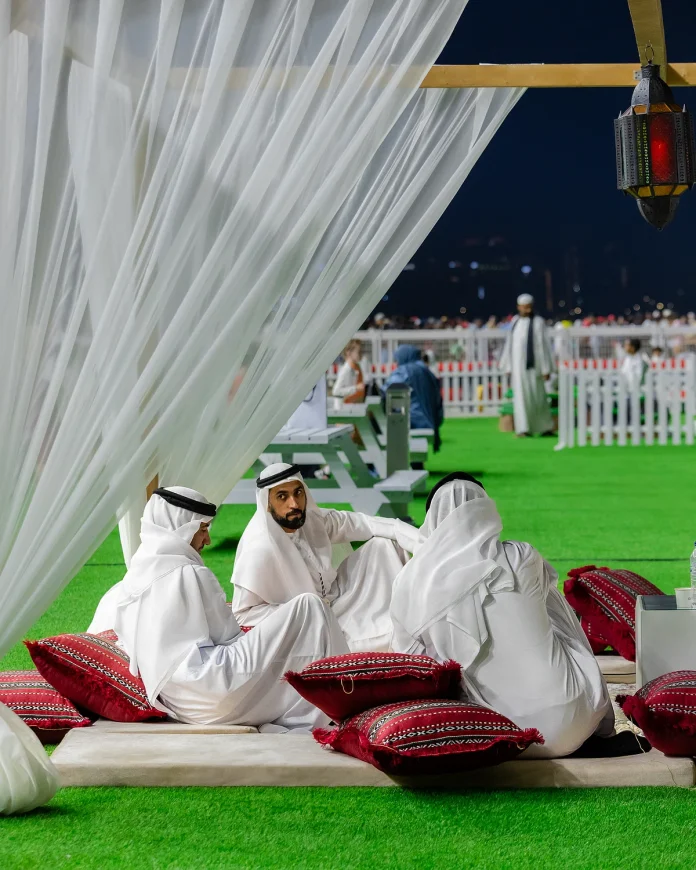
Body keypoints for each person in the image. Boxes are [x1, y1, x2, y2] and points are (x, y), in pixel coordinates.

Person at [88, 486, 349, 730]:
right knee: (309, 606)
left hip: (178, 703)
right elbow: (230, 636)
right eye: (202, 529)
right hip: (214, 691)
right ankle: (347, 695)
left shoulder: (132, 577)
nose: (208, 539)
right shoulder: (190, 572)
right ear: (182, 529)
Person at [389, 474, 614, 758]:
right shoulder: (521, 555)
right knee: (552, 605)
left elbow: (412, 666)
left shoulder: (409, 583)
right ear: (486, 510)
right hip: (576, 723)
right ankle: (603, 728)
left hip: (494, 734)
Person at [231, 463, 423, 651]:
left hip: (337, 597)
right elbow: (242, 615)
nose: (294, 504)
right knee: (384, 634)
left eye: (298, 493)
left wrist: (426, 546)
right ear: (267, 503)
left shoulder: (313, 520)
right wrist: (304, 610)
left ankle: (416, 611)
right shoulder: (259, 549)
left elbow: (370, 524)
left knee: (383, 545)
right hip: (311, 624)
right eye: (282, 496)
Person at [498, 294, 555, 437]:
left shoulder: (538, 322)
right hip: (518, 368)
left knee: (539, 397)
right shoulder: (515, 322)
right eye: (524, 307)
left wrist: (546, 369)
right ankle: (523, 429)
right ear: (519, 307)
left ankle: (544, 427)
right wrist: (508, 366)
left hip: (536, 367)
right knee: (521, 399)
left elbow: (544, 346)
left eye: (529, 307)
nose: (527, 310)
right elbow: (510, 345)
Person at [382, 344, 444, 451]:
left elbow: (386, 390)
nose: (396, 363)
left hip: (414, 421)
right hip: (432, 421)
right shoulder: (426, 371)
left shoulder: (405, 370)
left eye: (397, 359)